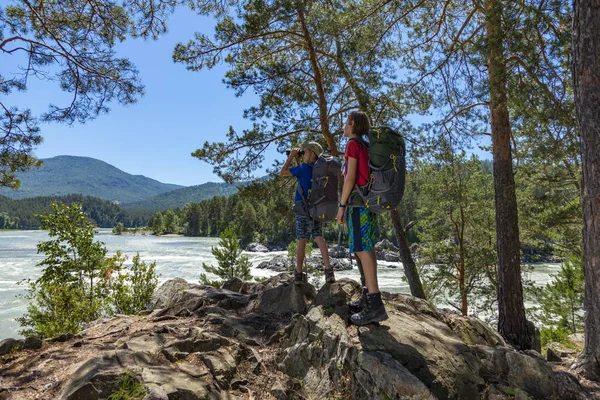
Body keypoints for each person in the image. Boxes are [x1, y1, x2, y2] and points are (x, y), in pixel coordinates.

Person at [337, 111, 388, 325]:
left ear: (353, 124)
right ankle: (369, 297)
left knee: (361, 249)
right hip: (369, 202)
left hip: (358, 203)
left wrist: (341, 206)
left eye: (346, 123)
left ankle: (375, 305)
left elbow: (350, 178)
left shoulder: (352, 145)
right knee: (367, 248)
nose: (343, 127)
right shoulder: (366, 145)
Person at [280, 142, 335, 285]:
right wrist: (298, 160)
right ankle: (329, 271)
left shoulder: (303, 168)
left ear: (312, 154)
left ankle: (298, 274)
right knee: (319, 238)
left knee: (302, 240)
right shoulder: (318, 169)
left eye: (305, 151)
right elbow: (303, 178)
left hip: (303, 210)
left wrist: (291, 156)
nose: (303, 153)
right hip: (316, 209)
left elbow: (283, 171)